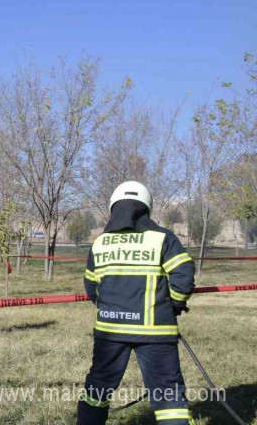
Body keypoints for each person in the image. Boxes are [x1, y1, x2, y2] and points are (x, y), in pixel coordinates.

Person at [78, 181, 195, 425]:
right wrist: (173, 305)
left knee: (97, 389)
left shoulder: (100, 243)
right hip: (156, 331)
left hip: (110, 331)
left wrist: (107, 305)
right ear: (146, 208)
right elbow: (183, 274)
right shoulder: (163, 238)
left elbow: (91, 286)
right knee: (168, 396)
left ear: (114, 209)